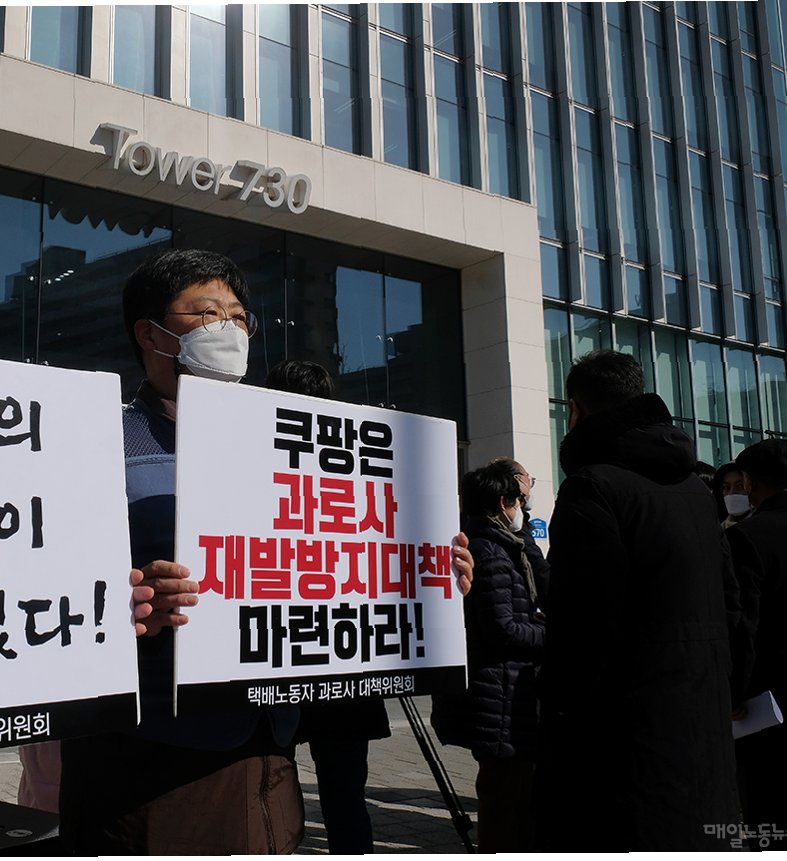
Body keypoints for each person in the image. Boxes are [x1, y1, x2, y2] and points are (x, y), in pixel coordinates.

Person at [58, 250, 477, 853]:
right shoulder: (100, 440)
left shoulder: (287, 445)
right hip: (150, 759)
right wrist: (126, 602)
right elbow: (42, 592)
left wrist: (422, 574)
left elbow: (326, 562)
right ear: (149, 334)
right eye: (207, 314)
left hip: (271, 747)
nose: (228, 330)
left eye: (238, 317)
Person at [534, 349, 739, 851]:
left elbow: (581, 624)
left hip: (621, 739)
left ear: (576, 408)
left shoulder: (592, 488)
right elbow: (732, 602)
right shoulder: (695, 490)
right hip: (701, 726)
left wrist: (557, 712)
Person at [265, 359, 390, 855]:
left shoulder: (255, 457)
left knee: (271, 791)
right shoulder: (357, 465)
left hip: (276, 654)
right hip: (344, 654)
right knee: (345, 796)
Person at [432, 460, 545, 852]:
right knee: (504, 801)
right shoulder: (490, 551)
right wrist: (550, 635)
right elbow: (504, 628)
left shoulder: (494, 544)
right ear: (502, 503)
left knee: (509, 795)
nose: (522, 509)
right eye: (519, 501)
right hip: (499, 694)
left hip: (502, 691)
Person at [726, 439, 787, 850]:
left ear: (750, 483)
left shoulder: (748, 537)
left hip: (774, 697)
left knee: (774, 810)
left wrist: (734, 691)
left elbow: (744, 625)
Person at [713, 461, 754, 529]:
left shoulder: (764, 526)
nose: (731, 493)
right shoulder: (718, 530)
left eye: (740, 486)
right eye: (727, 487)